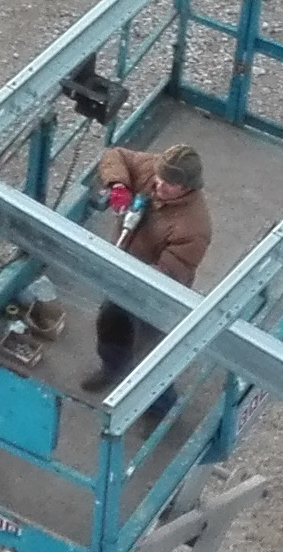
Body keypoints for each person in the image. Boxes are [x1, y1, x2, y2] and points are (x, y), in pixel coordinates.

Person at [90, 143, 211, 390]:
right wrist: (118, 185)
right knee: (111, 324)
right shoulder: (154, 169)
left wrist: (134, 280)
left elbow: (171, 271)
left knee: (151, 350)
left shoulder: (194, 228)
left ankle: (156, 398)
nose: (159, 185)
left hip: (156, 286)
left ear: (187, 188)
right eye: (160, 177)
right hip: (123, 266)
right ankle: (112, 369)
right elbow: (115, 155)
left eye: (169, 184)